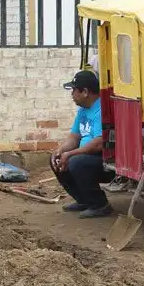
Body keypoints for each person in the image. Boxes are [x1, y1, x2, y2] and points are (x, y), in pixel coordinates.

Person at [52, 70, 115, 218]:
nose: (72, 94)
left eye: (74, 90)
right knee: (56, 159)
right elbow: (74, 137)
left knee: (75, 162)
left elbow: (99, 143)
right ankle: (84, 201)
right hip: (85, 156)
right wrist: (60, 150)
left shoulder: (102, 110)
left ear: (85, 92)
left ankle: (100, 204)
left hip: (105, 160)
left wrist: (71, 154)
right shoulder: (82, 111)